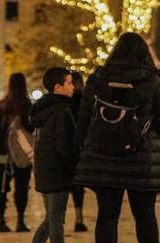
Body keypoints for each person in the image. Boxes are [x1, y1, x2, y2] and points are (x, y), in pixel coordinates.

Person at [74, 32, 160, 243]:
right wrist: (159, 146)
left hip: (103, 158)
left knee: (106, 216)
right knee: (145, 216)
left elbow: (83, 118)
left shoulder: (98, 78)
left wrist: (89, 144)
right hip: (142, 160)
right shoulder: (151, 80)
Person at [30, 67, 79, 243]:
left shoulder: (43, 110)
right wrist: (74, 168)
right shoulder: (62, 111)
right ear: (58, 87)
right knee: (57, 219)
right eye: (69, 83)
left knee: (52, 217)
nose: (73, 87)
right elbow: (64, 145)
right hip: (58, 171)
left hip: (44, 169)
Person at [0, 72, 35, 232]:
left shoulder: (3, 104)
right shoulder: (26, 104)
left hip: (2, 151)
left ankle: (1, 221)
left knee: (2, 186)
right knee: (22, 186)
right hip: (21, 152)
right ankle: (20, 220)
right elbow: (30, 127)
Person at [70, 70, 88, 232]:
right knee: (77, 185)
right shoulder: (85, 101)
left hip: (68, 145)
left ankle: (56, 218)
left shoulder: (65, 101)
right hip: (80, 147)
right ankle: (78, 217)